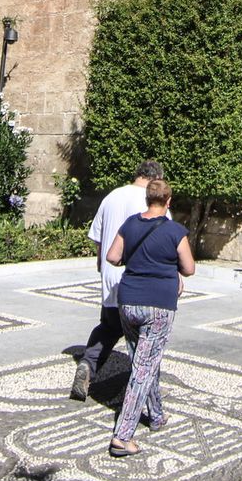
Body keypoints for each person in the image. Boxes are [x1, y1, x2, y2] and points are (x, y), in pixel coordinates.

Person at [104, 178, 196, 457]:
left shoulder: (131, 224)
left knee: (143, 361)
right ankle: (122, 436)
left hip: (128, 302)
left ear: (147, 199)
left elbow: (112, 256)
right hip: (158, 305)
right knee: (143, 368)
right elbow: (189, 268)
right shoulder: (175, 230)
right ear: (168, 202)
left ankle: (156, 415)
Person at [70, 159, 164, 401]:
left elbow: (99, 237)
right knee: (144, 335)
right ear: (155, 180)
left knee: (109, 326)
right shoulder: (154, 202)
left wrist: (102, 264)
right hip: (139, 280)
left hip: (111, 275)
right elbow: (166, 241)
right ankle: (143, 391)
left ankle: (88, 365)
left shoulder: (111, 196)